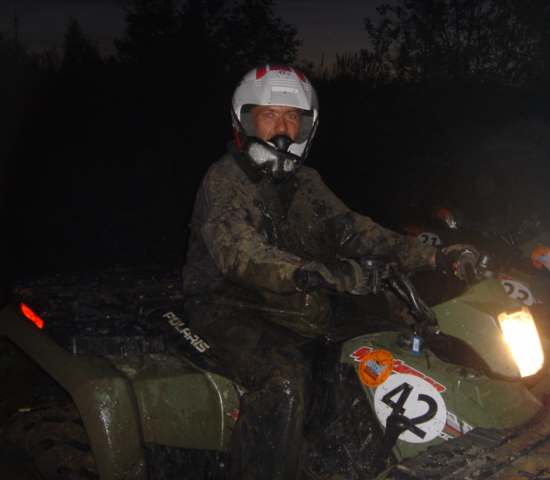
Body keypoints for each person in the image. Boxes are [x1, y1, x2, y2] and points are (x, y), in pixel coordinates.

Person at [182, 63, 466, 479]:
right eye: (269, 115)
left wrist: (435, 258)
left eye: (292, 116)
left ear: (305, 126)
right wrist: (315, 272)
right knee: (283, 382)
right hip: (229, 304)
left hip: (297, 300)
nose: (282, 128)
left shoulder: (306, 182)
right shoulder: (225, 179)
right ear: (245, 120)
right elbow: (241, 253)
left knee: (387, 344)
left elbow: (356, 231)